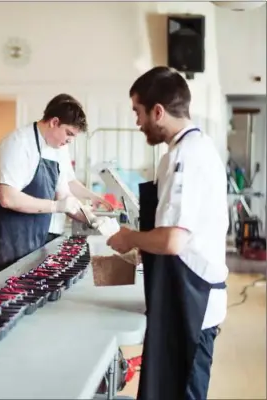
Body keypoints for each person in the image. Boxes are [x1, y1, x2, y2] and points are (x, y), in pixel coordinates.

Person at [106, 66, 229, 400]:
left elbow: (173, 241)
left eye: (138, 112)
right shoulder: (180, 151)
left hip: (193, 300)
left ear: (158, 111)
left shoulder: (186, 157)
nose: (137, 122)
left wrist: (131, 237)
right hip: (178, 295)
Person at [0, 93, 98, 275]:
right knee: (5, 295)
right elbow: (8, 198)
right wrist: (56, 206)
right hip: (7, 238)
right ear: (54, 122)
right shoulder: (18, 143)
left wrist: (94, 220)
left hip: (35, 237)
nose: (69, 140)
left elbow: (65, 196)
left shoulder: (56, 149)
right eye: (68, 133)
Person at [46, 155, 115, 243]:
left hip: (56, 226)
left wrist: (92, 196)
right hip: (43, 225)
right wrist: (90, 218)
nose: (70, 140)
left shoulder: (62, 150)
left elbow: (68, 182)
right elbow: (62, 195)